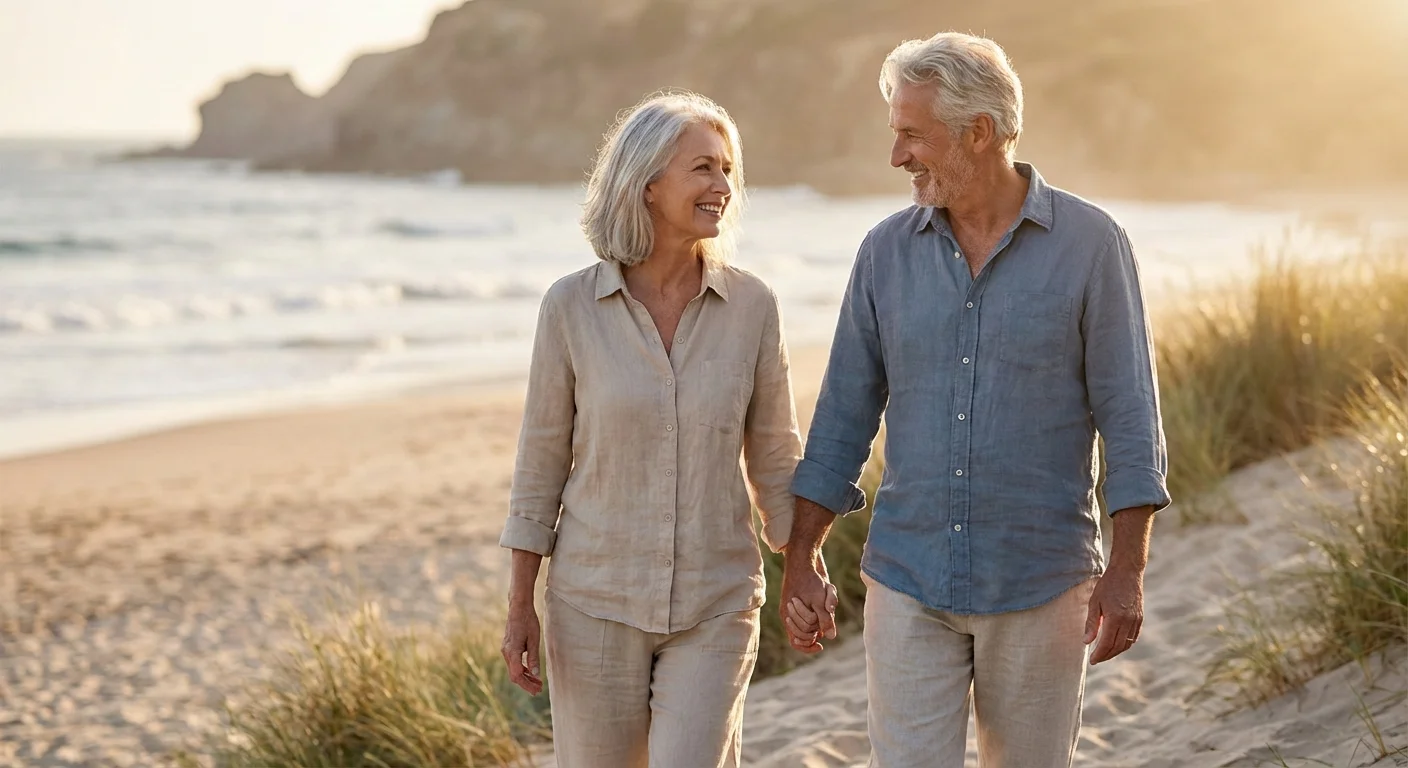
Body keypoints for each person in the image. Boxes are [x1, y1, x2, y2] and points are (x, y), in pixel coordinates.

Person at [780, 32, 1171, 768]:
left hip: (1041, 580)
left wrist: (1127, 573)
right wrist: (803, 554)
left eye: (912, 135)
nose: (896, 156)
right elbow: (841, 420)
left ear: (979, 133)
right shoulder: (884, 253)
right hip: (908, 579)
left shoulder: (1092, 245)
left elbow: (1131, 421)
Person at [497, 90, 803, 768]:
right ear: (646, 184)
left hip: (716, 602)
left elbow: (776, 456)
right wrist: (520, 605)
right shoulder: (570, 307)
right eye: (703, 168)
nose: (723, 186)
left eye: (727, 169)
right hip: (593, 604)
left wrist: (804, 565)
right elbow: (540, 466)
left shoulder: (752, 306)